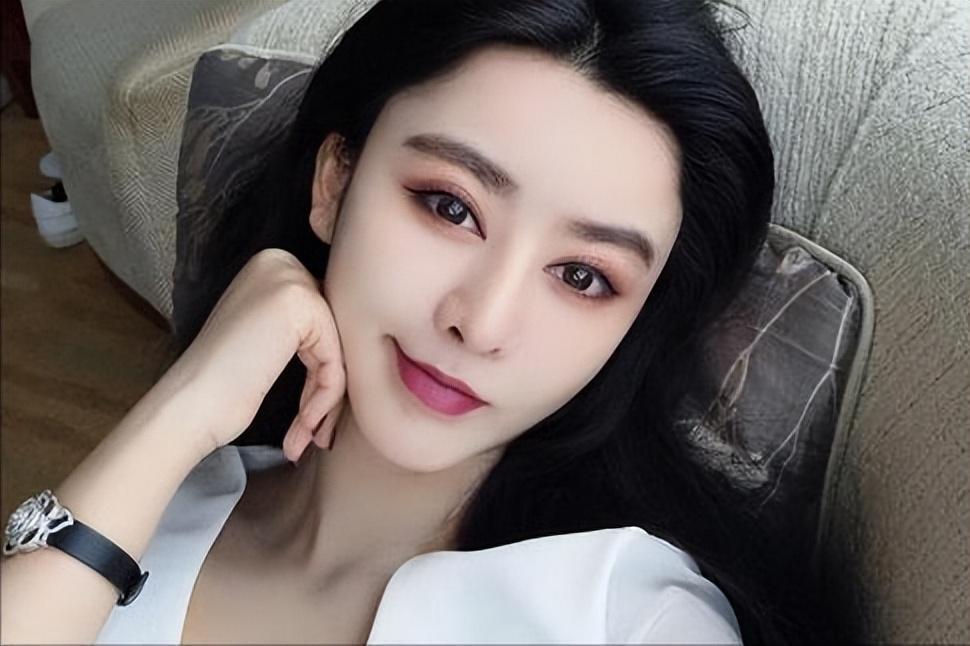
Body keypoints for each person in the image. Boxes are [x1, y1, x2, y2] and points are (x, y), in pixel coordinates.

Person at [1, 0, 832, 643]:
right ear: (335, 183)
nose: (482, 321)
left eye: (582, 276)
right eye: (450, 207)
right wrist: (180, 412)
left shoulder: (627, 617)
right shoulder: (159, 498)